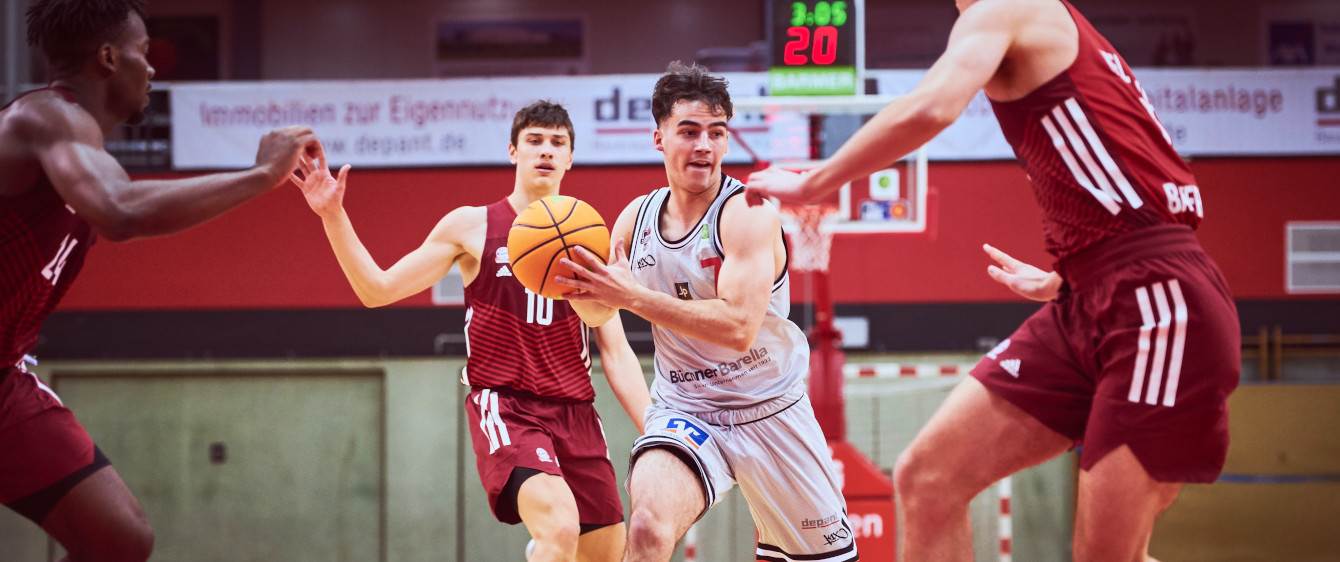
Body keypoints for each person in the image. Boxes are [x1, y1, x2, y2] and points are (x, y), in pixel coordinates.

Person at [745, 0, 1240, 560]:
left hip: (1157, 304)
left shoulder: (1006, 8)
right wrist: (1071, 275)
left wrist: (817, 182)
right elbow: (1116, 173)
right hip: (1090, 295)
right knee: (929, 478)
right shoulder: (1041, 27)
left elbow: (932, 107)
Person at [0, 1, 318, 560]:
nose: (151, 69)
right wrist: (261, 175)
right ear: (107, 57)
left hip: (6, 375)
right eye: (143, 52)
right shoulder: (46, 116)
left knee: (119, 538)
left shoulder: (78, 142)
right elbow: (120, 211)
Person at [292, 100, 649, 562]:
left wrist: (656, 430)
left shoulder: (589, 238)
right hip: (508, 406)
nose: (545, 150)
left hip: (575, 411)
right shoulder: (472, 226)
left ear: (570, 157)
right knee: (560, 527)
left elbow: (616, 351)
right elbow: (377, 289)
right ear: (513, 151)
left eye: (557, 142)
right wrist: (332, 215)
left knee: (605, 553)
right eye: (534, 140)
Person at [557, 62, 857, 562]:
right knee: (648, 529)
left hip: (770, 407)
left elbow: (738, 328)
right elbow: (597, 314)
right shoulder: (634, 220)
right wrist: (570, 282)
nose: (705, 146)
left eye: (716, 133)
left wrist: (631, 297)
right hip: (686, 409)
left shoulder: (748, 214)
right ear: (658, 138)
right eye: (690, 131)